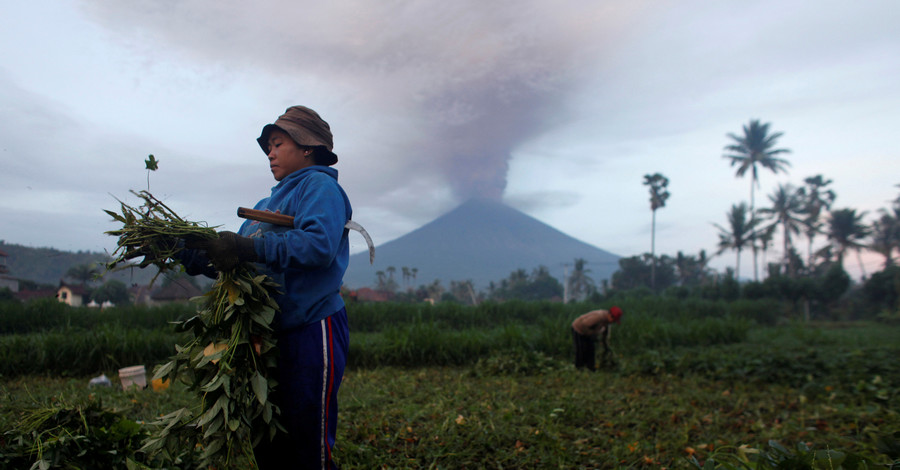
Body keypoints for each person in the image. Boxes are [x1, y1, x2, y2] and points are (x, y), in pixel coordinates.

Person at [181, 105, 351, 469]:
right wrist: (186, 251)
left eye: (278, 144)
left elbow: (318, 246)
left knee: (307, 441)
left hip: (311, 327)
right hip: (269, 336)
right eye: (268, 146)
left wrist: (249, 248)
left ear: (307, 147)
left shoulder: (320, 187)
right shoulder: (265, 205)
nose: (270, 153)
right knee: (270, 440)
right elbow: (240, 265)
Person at [571, 306, 622, 371]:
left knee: (591, 349)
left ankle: (591, 368)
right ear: (610, 315)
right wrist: (592, 333)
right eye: (614, 320)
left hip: (589, 331)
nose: (613, 322)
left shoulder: (608, 321)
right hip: (579, 328)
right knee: (581, 349)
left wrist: (606, 346)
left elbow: (605, 335)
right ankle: (579, 368)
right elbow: (585, 324)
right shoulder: (599, 317)